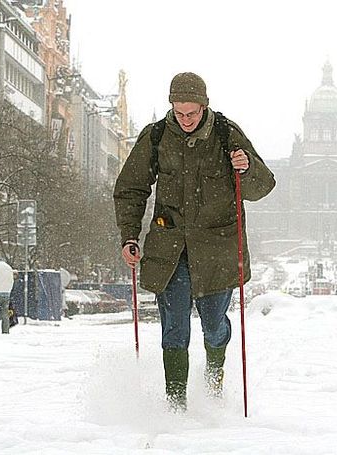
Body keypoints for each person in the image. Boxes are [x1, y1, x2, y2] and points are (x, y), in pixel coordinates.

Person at [113, 72, 276, 411]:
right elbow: (130, 189)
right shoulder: (157, 136)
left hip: (217, 250)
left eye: (192, 113)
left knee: (214, 326)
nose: (185, 120)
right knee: (174, 330)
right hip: (170, 250)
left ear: (205, 106)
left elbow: (262, 188)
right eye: (179, 112)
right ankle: (176, 405)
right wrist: (129, 236)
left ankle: (214, 374)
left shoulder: (226, 134)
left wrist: (245, 170)